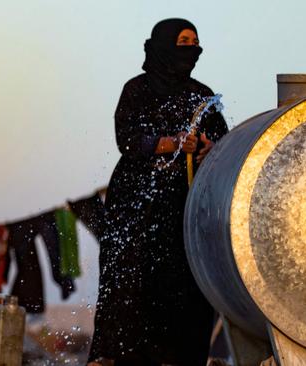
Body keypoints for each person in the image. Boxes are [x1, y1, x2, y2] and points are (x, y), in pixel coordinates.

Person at [88, 18, 229, 366]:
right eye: (183, 41)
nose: (191, 49)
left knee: (184, 282)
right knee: (130, 280)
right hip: (136, 206)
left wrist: (209, 147)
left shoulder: (203, 96)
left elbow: (222, 142)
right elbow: (129, 141)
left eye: (195, 42)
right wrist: (172, 143)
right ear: (164, 45)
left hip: (184, 205)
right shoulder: (137, 89)